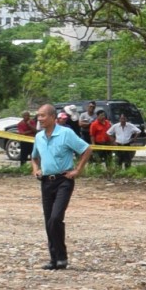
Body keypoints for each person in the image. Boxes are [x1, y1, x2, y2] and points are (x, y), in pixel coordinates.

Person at [29, 103, 92, 270]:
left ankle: (61, 255)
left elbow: (86, 149)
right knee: (49, 220)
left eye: (42, 115)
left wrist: (77, 170)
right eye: (38, 116)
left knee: (56, 218)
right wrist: (36, 169)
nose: (39, 119)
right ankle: (55, 259)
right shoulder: (39, 137)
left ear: (52, 117)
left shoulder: (66, 133)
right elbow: (34, 157)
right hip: (46, 182)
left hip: (63, 181)